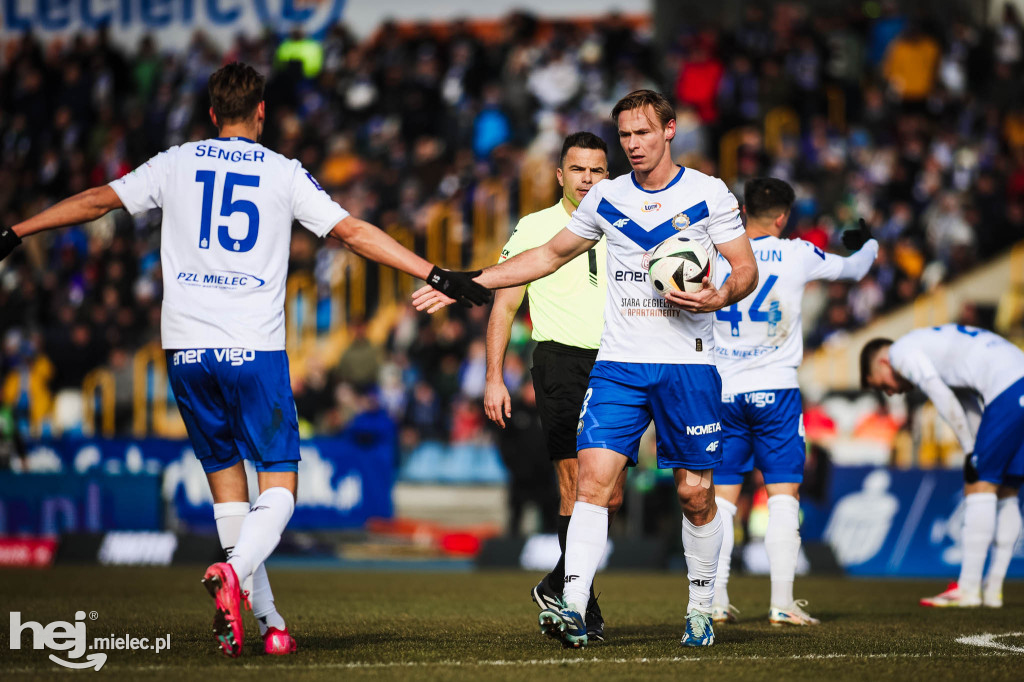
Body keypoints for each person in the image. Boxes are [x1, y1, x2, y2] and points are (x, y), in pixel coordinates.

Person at [0, 62, 490, 658]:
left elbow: (97, 201)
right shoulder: (283, 173)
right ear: (262, 113)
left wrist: (18, 231)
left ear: (211, 114)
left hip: (185, 351)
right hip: (252, 349)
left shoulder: (176, 161)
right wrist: (436, 272)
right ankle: (235, 578)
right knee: (279, 485)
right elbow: (355, 232)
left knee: (228, 491)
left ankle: (267, 624)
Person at [415, 89, 758, 648]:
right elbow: (547, 256)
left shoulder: (708, 193)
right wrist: (468, 279)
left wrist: (720, 295)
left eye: (643, 133)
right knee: (592, 486)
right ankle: (573, 604)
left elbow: (743, 269)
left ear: (669, 131)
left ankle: (700, 604)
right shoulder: (607, 198)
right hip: (618, 366)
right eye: (625, 136)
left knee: (696, 496)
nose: (633, 145)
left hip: (688, 366)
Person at [709, 178, 879, 626]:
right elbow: (855, 270)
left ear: (744, 211)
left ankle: (716, 600)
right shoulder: (797, 253)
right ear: (783, 216)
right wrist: (870, 244)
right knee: (783, 495)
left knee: (722, 500)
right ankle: (782, 603)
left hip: (723, 390)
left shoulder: (717, 253)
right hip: (776, 391)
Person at [485, 131, 625, 642]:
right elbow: (504, 304)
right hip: (560, 360)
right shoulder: (536, 227)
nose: (589, 179)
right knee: (576, 484)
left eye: (598, 170)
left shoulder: (624, 224)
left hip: (616, 363)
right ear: (561, 175)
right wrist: (494, 376)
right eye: (579, 170)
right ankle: (579, 603)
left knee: (608, 496)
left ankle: (557, 583)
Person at [861, 325, 1024, 608]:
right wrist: (974, 446)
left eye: (882, 385)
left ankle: (970, 588)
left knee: (980, 482)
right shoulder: (934, 347)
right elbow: (968, 401)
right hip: (1015, 376)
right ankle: (993, 590)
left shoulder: (901, 352)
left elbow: (942, 398)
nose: (890, 393)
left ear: (884, 362)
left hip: (1006, 386)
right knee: (1008, 488)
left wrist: (972, 450)